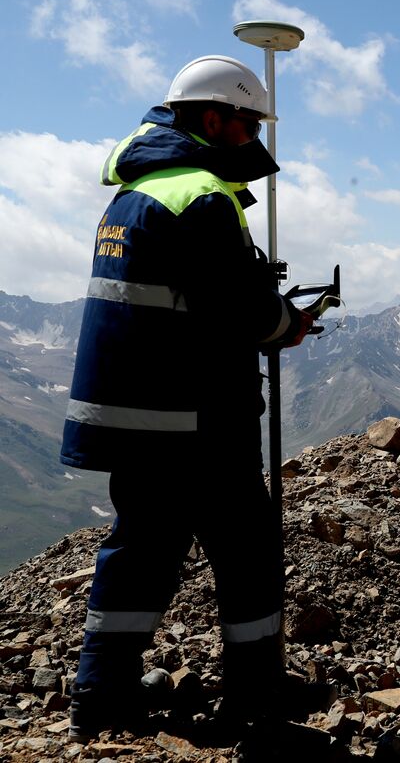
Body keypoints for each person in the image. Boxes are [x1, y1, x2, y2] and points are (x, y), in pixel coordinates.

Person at [60, 55, 315, 740]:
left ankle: (101, 693)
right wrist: (287, 324)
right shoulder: (201, 195)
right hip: (196, 417)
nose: (253, 137)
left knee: (140, 548)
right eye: (248, 123)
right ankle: (256, 694)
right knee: (245, 549)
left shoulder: (135, 193)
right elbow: (238, 309)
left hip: (138, 416)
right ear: (214, 119)